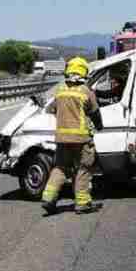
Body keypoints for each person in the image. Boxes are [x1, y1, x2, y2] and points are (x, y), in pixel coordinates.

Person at [41, 57, 103, 215]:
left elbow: (51, 109)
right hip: (81, 139)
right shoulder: (85, 91)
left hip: (62, 138)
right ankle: (82, 203)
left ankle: (48, 198)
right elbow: (95, 112)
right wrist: (99, 127)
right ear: (83, 71)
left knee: (60, 168)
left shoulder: (60, 90)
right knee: (83, 168)